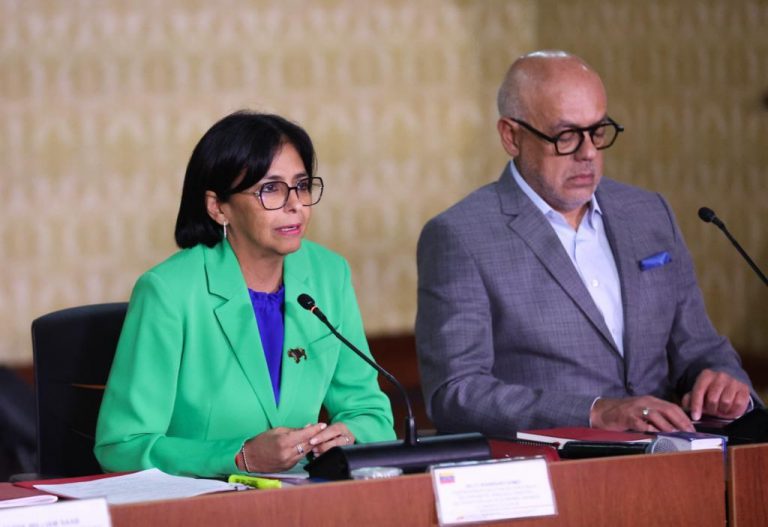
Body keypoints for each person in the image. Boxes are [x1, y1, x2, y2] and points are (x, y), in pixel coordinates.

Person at [415, 50, 758, 437]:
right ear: (511, 136)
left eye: (597, 131)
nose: (589, 153)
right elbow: (455, 394)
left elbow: (701, 350)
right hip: (561, 465)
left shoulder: (649, 214)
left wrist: (724, 382)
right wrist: (594, 413)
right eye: (565, 136)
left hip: (675, 459)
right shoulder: (461, 235)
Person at [95, 111, 395, 477]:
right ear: (218, 207)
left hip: (303, 495)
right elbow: (121, 447)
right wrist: (239, 457)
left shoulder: (329, 275)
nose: (296, 205)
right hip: (205, 501)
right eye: (271, 189)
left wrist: (349, 435)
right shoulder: (168, 291)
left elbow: (371, 414)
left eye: (301, 186)